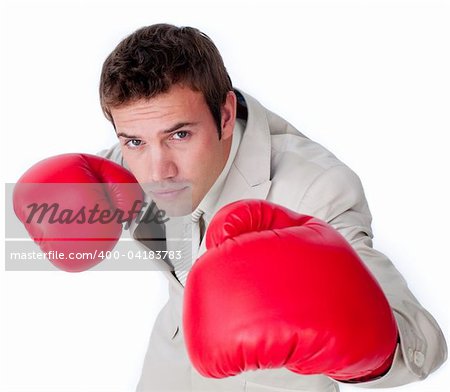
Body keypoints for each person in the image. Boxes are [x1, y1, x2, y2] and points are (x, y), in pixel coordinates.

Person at [14, 23, 447, 392]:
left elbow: (421, 346)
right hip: (167, 371)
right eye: (134, 142)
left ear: (224, 115)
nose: (158, 170)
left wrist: (371, 350)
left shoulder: (314, 188)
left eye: (180, 135)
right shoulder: (130, 166)